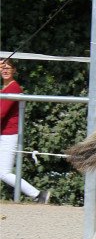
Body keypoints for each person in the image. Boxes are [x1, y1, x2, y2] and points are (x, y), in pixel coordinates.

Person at [1, 58, 50, 203]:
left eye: (8, 68)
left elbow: (1, 113)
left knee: (4, 173)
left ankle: (38, 195)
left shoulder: (13, 88)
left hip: (8, 135)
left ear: (14, 71)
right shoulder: (3, 89)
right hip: (3, 133)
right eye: (3, 67)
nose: (5, 70)